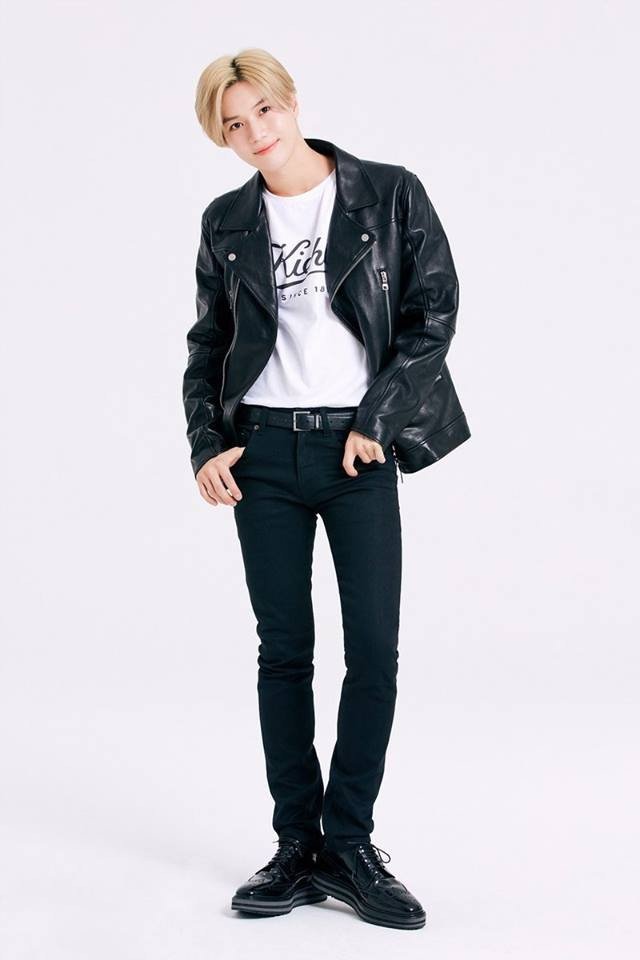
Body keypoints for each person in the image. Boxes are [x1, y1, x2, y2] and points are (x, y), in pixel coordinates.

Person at [183, 47, 470, 931]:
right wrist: (207, 445)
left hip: (357, 452)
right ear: (224, 138)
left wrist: (376, 420)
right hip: (264, 456)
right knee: (284, 653)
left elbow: (432, 313)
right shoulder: (228, 221)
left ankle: (350, 844)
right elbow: (207, 342)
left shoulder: (388, 194)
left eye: (263, 111)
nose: (255, 134)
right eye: (234, 125)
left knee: (373, 651)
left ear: (291, 100)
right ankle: (294, 847)